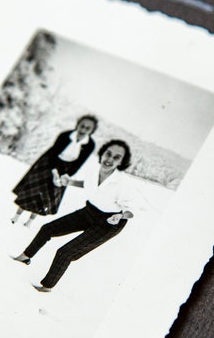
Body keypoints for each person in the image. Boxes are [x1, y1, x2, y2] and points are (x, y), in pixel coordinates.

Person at [12, 139, 136, 292]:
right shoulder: (94, 170)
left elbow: (131, 211)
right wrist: (69, 182)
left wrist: (120, 215)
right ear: (102, 153)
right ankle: (25, 256)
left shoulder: (122, 183)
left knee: (65, 253)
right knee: (47, 229)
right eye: (108, 154)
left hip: (109, 224)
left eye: (116, 157)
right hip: (90, 211)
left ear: (122, 162)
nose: (109, 159)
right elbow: (87, 184)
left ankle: (46, 287)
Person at [11, 115, 98, 227]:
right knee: (33, 190)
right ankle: (17, 216)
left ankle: (30, 221)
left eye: (88, 128)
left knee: (46, 195)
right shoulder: (65, 135)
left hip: (67, 169)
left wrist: (65, 176)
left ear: (92, 131)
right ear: (78, 124)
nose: (83, 130)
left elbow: (78, 163)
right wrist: (54, 171)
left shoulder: (90, 145)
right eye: (82, 126)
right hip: (48, 164)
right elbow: (52, 153)